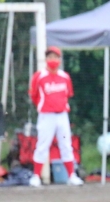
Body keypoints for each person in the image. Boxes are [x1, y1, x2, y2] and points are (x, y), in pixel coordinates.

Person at [28, 46, 83, 187]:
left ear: (60, 59)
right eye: (50, 57)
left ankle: (71, 175)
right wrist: (44, 106)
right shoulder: (39, 76)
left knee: (66, 145)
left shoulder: (65, 77)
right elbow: (33, 95)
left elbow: (68, 94)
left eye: (55, 57)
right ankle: (36, 176)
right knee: (42, 145)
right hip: (46, 116)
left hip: (62, 115)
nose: (52, 60)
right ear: (46, 59)